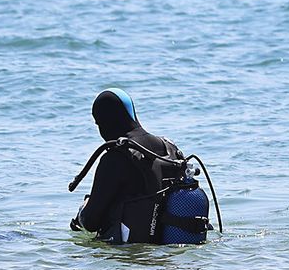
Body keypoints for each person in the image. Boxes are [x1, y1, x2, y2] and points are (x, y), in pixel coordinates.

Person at [70, 88, 210, 244]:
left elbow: (91, 222)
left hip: (131, 257)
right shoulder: (170, 148)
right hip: (170, 255)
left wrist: (83, 209)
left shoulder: (115, 158)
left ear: (104, 122)